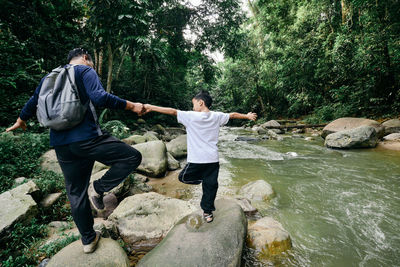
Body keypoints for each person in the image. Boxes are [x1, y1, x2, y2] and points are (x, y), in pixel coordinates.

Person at [6, 48, 143, 253]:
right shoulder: (84, 71)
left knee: (75, 192)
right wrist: (131, 106)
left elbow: (33, 101)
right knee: (132, 157)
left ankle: (88, 240)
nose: (92, 66)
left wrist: (20, 120)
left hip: (61, 144)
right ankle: (98, 187)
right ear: (86, 58)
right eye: (92, 62)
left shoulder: (49, 77)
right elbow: (99, 97)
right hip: (87, 138)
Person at [143, 91, 257, 223]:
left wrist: (151, 107)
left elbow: (172, 111)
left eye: (194, 104)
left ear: (201, 102)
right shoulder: (217, 116)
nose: (192, 108)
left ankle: (207, 211)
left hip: (198, 160)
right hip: (212, 159)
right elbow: (232, 115)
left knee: (186, 178)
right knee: (210, 186)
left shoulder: (191, 116)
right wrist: (247, 116)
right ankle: (207, 209)